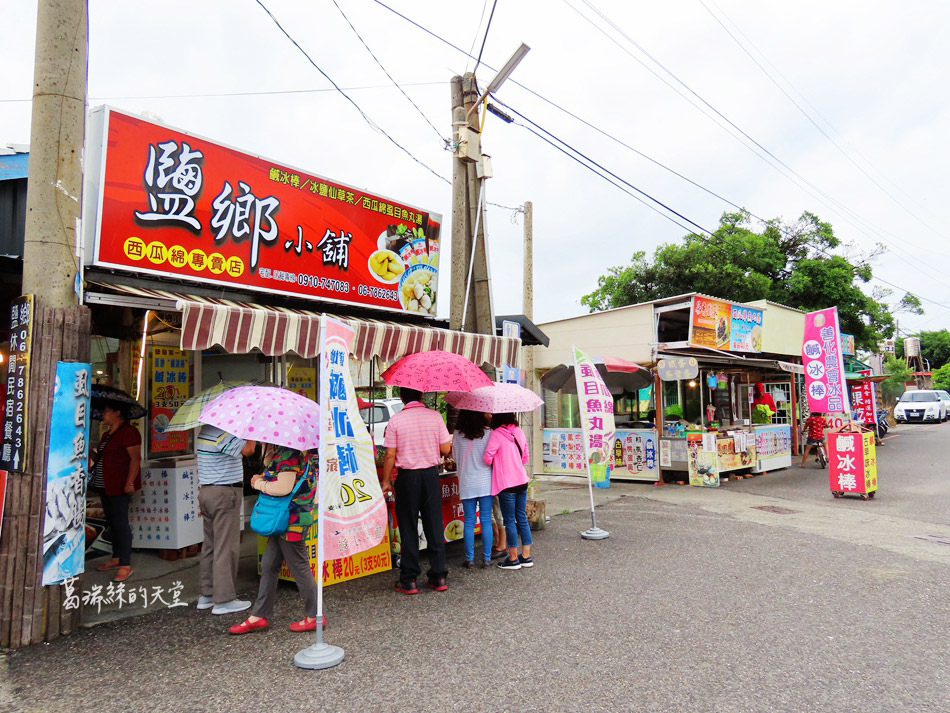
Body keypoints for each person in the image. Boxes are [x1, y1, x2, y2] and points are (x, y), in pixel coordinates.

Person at [230, 444, 323, 635]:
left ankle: (315, 616)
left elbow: (283, 488)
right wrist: (268, 456)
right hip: (284, 518)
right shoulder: (285, 453)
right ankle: (259, 616)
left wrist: (257, 483)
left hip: (291, 519)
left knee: (299, 566)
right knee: (269, 565)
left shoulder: (289, 454)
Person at [380, 388, 452, 594]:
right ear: (421, 396)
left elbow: (390, 455)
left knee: (408, 526)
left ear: (402, 398)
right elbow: (446, 449)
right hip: (430, 476)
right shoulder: (435, 417)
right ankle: (438, 576)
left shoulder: (396, 421)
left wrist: (386, 481)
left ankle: (409, 579)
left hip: (407, 478)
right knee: (434, 524)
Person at [196, 424, 257, 615]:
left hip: (207, 491)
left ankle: (207, 595)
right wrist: (251, 432)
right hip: (224, 492)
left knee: (211, 545)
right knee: (226, 546)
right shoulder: (223, 434)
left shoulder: (205, 431)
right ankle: (224, 600)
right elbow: (248, 450)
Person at [90, 405, 142, 583]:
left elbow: (135, 458)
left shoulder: (129, 432)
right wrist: (90, 450)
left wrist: (129, 482)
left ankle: (125, 564)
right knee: (111, 521)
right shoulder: (106, 434)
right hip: (104, 485)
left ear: (117, 412)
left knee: (120, 523)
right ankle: (116, 556)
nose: (102, 415)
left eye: (105, 411)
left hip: (119, 485)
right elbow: (101, 459)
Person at [483, 412, 532, 571]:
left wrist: (500, 462)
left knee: (509, 520)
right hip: (522, 481)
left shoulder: (496, 434)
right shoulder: (518, 431)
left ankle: (512, 559)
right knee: (522, 518)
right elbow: (525, 456)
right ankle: (525, 556)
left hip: (506, 484)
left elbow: (487, 458)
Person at [451, 410, 494, 569]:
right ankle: (487, 558)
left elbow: (454, 457)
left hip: (466, 482)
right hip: (485, 482)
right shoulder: (488, 432)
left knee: (468, 521)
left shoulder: (457, 434)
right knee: (486, 520)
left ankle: (469, 559)